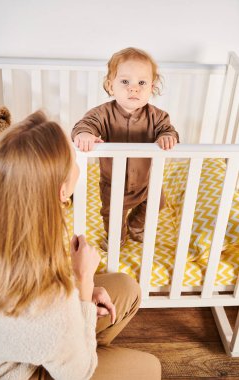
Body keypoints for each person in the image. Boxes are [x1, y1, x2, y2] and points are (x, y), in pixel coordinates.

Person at [0, 111, 161, 380]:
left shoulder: (12, 216)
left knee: (126, 289)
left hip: (28, 338)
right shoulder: (47, 302)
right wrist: (84, 281)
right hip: (16, 371)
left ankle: (74, 351)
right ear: (60, 190)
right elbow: (77, 373)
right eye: (74, 158)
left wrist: (80, 291)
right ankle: (77, 353)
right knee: (150, 368)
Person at [71, 47, 179, 250]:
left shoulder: (158, 117)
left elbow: (169, 131)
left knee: (156, 203)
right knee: (112, 214)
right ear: (111, 86)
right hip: (113, 184)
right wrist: (84, 135)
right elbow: (84, 125)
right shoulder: (102, 114)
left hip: (146, 182)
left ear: (151, 88)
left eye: (141, 82)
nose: (133, 88)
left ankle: (136, 226)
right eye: (125, 81)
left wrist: (167, 137)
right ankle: (117, 237)